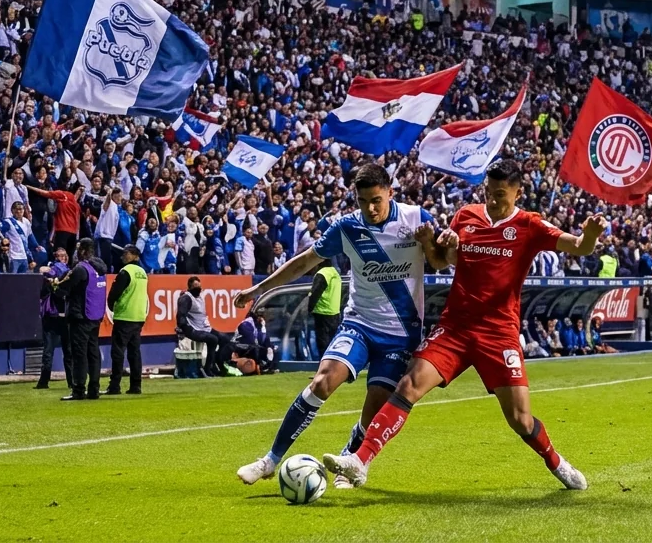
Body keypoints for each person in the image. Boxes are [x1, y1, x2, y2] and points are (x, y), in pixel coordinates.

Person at [323, 159, 602, 491]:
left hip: (498, 333)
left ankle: (556, 461)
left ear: (517, 193)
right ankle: (360, 460)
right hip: (454, 328)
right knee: (408, 385)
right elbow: (442, 261)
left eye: (500, 194)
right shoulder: (466, 216)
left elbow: (580, 246)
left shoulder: (530, 225)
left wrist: (591, 235)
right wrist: (442, 246)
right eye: (488, 192)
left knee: (520, 419)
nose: (493, 200)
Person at [232, 163, 447, 487]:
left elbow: (441, 261)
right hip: (359, 324)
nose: (370, 208)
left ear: (390, 191)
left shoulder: (416, 219)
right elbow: (304, 261)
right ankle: (269, 461)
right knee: (322, 382)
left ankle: (350, 456)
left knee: (374, 405)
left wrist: (430, 241)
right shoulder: (346, 228)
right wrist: (258, 288)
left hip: (400, 335)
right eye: (363, 201)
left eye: (376, 200)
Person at [53, 238, 107, 400]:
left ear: (82, 251)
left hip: (80, 316)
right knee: (93, 353)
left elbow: (62, 289)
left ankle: (78, 390)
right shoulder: (100, 268)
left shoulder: (80, 269)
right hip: (95, 316)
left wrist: (55, 284)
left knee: (79, 354)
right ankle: (94, 389)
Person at [106, 245, 149, 395]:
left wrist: (111, 306)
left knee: (118, 352)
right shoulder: (143, 273)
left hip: (124, 316)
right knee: (134, 353)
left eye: (126, 253)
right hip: (138, 316)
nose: (123, 256)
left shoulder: (125, 272)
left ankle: (114, 385)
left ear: (135, 255)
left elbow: (114, 293)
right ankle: (136, 385)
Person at [176, 276, 234, 377]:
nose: (198, 288)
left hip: (204, 327)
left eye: (199, 285)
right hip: (193, 329)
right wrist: (183, 329)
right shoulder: (186, 298)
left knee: (225, 339)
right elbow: (181, 316)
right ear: (190, 287)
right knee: (213, 339)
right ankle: (208, 369)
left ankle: (217, 362)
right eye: (195, 286)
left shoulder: (200, 296)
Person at [36, 248, 71, 390]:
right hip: (55, 315)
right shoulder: (58, 269)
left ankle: (45, 382)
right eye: (60, 256)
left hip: (57, 316)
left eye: (64, 255)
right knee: (56, 351)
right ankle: (70, 381)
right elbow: (43, 271)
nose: (62, 258)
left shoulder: (67, 271)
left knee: (56, 350)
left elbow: (44, 271)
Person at [308, 260, 343, 358]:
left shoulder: (322, 273)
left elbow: (315, 293)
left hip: (322, 312)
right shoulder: (334, 272)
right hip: (334, 311)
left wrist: (309, 308)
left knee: (323, 344)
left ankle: (324, 368)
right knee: (333, 343)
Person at [234, 308, 278, 373]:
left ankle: (269, 368)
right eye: (260, 316)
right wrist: (263, 327)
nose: (262, 319)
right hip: (239, 346)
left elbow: (265, 340)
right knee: (255, 348)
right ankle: (258, 368)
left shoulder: (257, 325)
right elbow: (252, 341)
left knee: (271, 348)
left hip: (251, 346)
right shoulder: (246, 324)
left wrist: (270, 347)